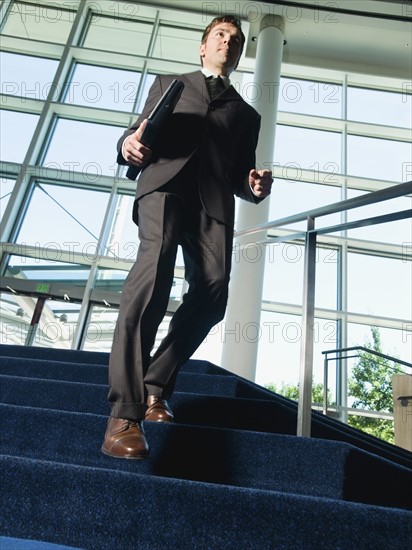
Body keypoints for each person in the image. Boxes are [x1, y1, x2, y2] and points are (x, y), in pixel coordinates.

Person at [102, 14, 273, 459]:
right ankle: (125, 413)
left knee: (214, 291)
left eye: (235, 39)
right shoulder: (168, 83)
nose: (227, 42)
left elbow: (241, 174)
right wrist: (127, 145)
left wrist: (252, 186)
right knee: (153, 278)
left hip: (213, 204)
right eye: (220, 35)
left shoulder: (247, 114)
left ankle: (156, 382)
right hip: (164, 187)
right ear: (202, 47)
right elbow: (136, 133)